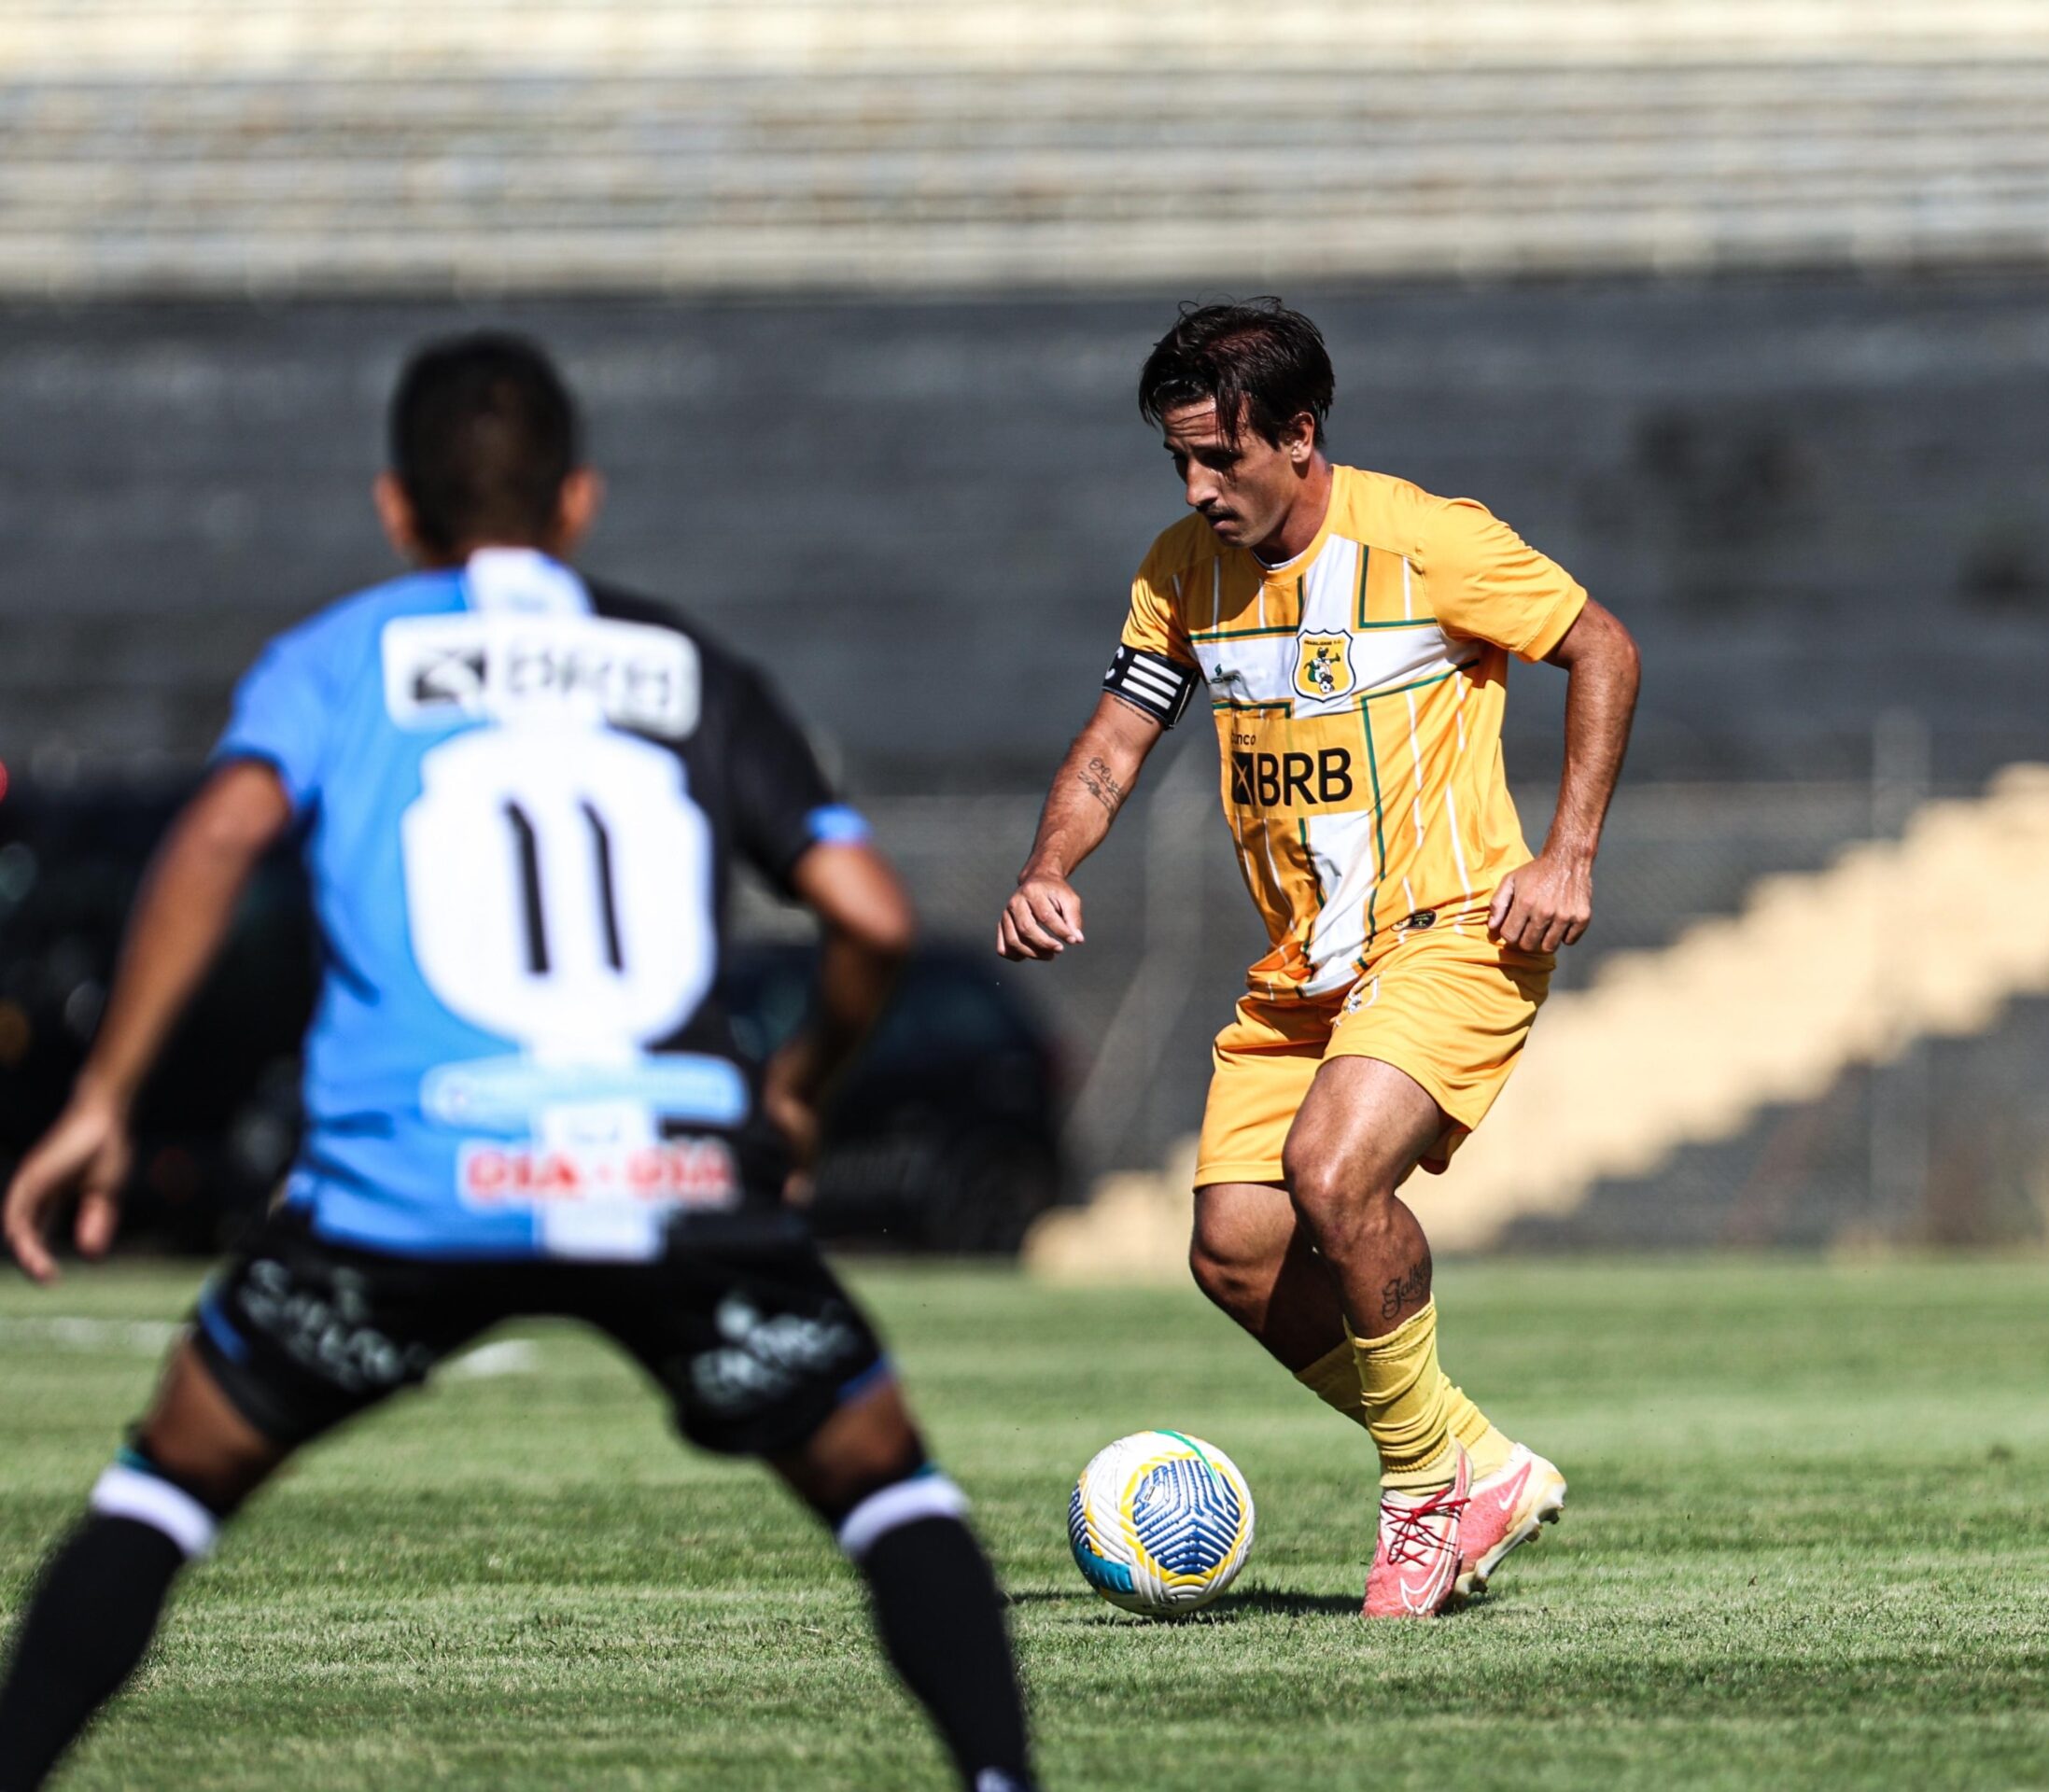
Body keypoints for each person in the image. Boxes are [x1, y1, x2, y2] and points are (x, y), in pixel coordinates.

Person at [0, 333, 1036, 1791]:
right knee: (884, 1480)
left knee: (170, 1478)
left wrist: (102, 1101)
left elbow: (221, 833)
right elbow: (866, 916)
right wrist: (796, 1084)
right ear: (578, 502)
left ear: (396, 511)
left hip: (410, 1180)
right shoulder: (690, 669)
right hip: (667, 1168)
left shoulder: (336, 658)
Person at [999, 299, 1640, 1619]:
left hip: (1459, 929)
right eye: (1177, 460)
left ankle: (1422, 1497)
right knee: (1235, 1251)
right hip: (1308, 967)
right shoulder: (1183, 571)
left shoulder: (1426, 541)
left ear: (1299, 435)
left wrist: (1566, 854)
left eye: (1219, 458)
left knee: (1329, 1172)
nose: (1197, 487)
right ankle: (1476, 1461)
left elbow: (1601, 648)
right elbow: (1117, 741)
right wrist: (1048, 868)